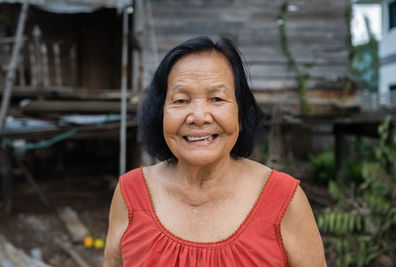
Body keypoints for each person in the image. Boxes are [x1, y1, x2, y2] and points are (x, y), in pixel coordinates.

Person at [104, 36, 326, 266]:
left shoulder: (284, 201)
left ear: (241, 115)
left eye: (217, 98)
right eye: (180, 100)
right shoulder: (131, 195)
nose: (199, 117)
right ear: (160, 115)